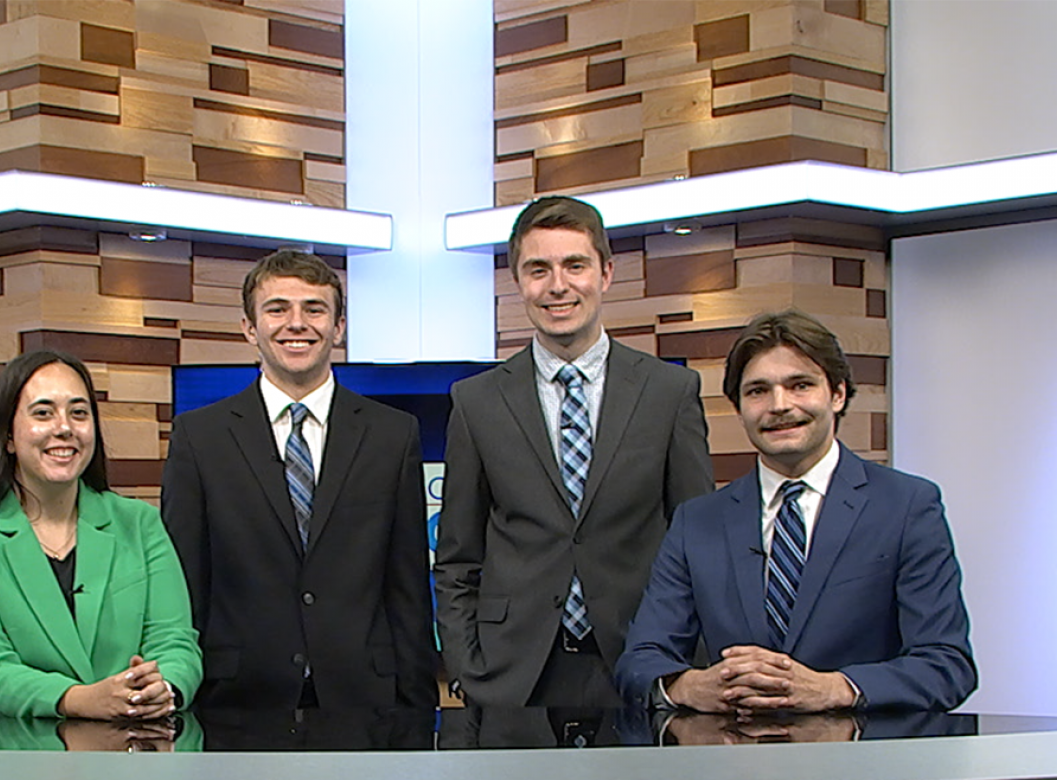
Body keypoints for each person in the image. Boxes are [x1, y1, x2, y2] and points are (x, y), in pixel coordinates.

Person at [616, 310, 977, 712]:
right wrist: (691, 686)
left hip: (863, 766)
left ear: (837, 394)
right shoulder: (697, 522)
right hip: (736, 766)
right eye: (757, 391)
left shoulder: (907, 506)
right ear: (738, 408)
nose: (779, 405)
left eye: (800, 385)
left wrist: (834, 689)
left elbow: (947, 665)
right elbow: (640, 661)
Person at [434, 195, 713, 708]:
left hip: (642, 662)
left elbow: (697, 542)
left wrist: (687, 663)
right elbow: (457, 557)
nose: (557, 286)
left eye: (574, 266)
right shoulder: (476, 401)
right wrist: (468, 668)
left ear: (606, 274)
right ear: (517, 281)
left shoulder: (669, 393)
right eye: (538, 269)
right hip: (513, 673)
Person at [161, 248, 435, 709]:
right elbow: (186, 582)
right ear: (250, 328)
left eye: (314, 309)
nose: (297, 323)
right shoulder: (199, 437)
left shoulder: (393, 434)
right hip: (235, 699)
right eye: (277, 309)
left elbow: (406, 585)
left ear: (338, 327)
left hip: (364, 698)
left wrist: (418, 703)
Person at [0, 350, 202, 719]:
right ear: (7, 435)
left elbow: (176, 642)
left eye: (78, 413)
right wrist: (81, 699)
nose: (64, 427)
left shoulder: (139, 523)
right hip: (6, 760)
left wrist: (164, 686)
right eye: (43, 413)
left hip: (129, 760)